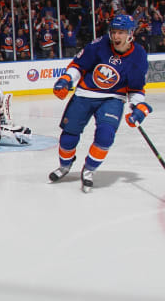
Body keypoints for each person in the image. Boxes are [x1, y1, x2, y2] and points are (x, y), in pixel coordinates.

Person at [48, 14, 152, 193]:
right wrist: (66, 79)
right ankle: (65, 165)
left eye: (121, 32)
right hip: (84, 94)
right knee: (68, 137)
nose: (116, 37)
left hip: (113, 98)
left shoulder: (139, 56)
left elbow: (135, 89)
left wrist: (138, 108)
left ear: (131, 34)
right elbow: (79, 66)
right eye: (114, 32)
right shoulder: (99, 44)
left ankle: (89, 169)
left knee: (105, 136)